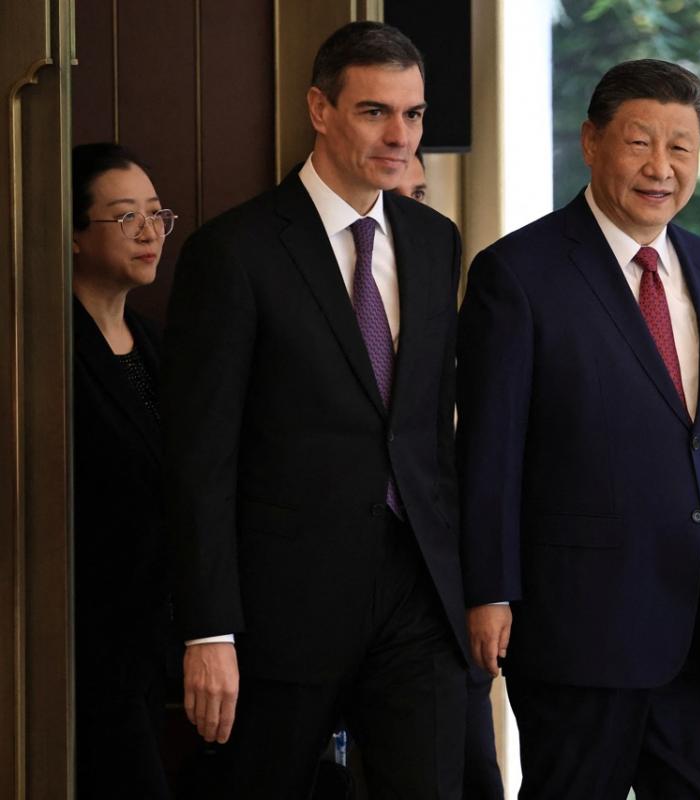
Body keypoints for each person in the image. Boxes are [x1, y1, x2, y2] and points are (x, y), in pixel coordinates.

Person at [457, 59, 700, 799]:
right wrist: (490, 590)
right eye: (640, 142)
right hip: (579, 632)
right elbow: (489, 450)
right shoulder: (519, 273)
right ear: (591, 142)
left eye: (681, 147)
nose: (660, 168)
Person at [162, 21, 468, 799]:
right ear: (320, 109)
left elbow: (431, 428)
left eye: (414, 114)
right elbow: (200, 458)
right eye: (375, 111)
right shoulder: (235, 251)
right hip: (278, 610)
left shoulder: (436, 242)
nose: (400, 135)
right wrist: (209, 628)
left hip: (418, 598)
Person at [391, 149, 505, 800]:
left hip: (442, 575)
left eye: (422, 193)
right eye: (398, 194)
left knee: (472, 773)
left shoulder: (441, 271)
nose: (412, 209)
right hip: (328, 586)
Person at [71, 142, 178, 798]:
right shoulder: (46, 349)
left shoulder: (163, 345)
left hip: (163, 641)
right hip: (89, 646)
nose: (147, 232)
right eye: (123, 217)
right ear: (76, 234)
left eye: (156, 214)